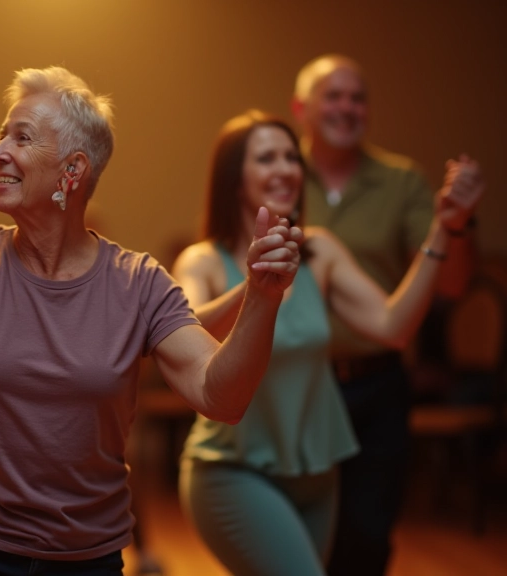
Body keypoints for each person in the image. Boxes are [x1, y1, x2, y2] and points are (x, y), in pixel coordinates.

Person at [0, 66, 302, 576]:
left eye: (21, 138)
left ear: (72, 171)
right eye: (1, 134)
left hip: (86, 557)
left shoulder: (139, 283)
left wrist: (263, 298)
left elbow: (220, 397)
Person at [172, 110, 482, 575]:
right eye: (266, 158)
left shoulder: (320, 251)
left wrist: (445, 227)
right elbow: (183, 329)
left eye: (291, 157)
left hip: (317, 474)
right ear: (235, 179)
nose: (285, 169)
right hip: (234, 471)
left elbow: (393, 325)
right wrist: (255, 287)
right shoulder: (203, 260)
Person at [291, 54, 484, 576]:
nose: (348, 107)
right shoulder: (279, 174)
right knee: (297, 537)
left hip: (375, 383)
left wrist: (457, 225)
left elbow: (451, 284)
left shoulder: (401, 180)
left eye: (358, 97)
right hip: (295, 385)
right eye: (334, 95)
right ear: (301, 108)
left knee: (366, 536)